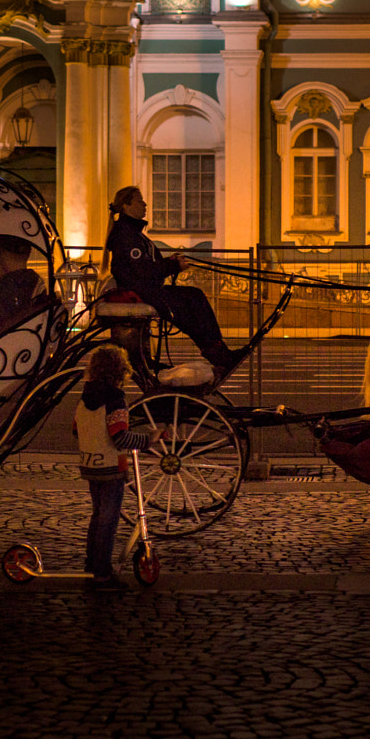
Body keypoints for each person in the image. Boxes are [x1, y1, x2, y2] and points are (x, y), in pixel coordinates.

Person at [105, 185, 236, 371]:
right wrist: (172, 265)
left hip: (145, 290)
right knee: (192, 300)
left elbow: (145, 265)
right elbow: (142, 271)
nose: (145, 204)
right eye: (140, 200)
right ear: (127, 206)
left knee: (193, 299)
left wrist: (171, 263)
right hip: (143, 292)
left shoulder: (131, 234)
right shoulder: (127, 235)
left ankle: (216, 350)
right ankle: (217, 351)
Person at [74, 347, 153, 590]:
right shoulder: (116, 401)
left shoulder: (84, 398)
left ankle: (91, 565)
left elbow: (76, 430)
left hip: (90, 465)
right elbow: (120, 437)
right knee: (108, 521)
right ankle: (102, 574)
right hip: (111, 468)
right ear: (121, 372)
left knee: (97, 517)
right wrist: (148, 439)